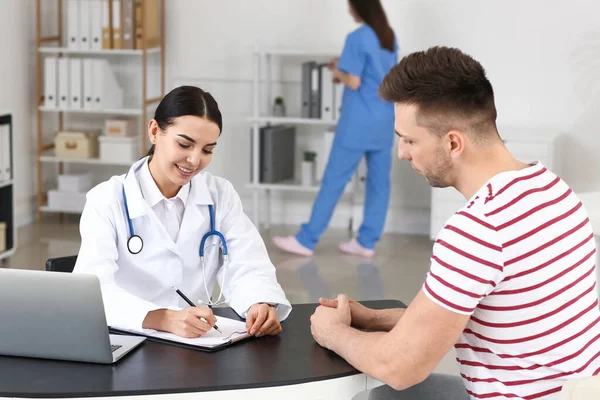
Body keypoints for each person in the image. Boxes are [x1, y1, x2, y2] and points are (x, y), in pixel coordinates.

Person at [309, 47, 600, 400]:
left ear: (452, 142)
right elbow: (478, 318)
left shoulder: (479, 229)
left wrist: (332, 332)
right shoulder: (552, 189)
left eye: (409, 139)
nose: (402, 153)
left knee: (381, 391)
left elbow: (400, 367)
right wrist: (373, 319)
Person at [74, 86, 291, 339]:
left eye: (207, 150)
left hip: (197, 343)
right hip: (128, 338)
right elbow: (93, 291)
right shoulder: (107, 199)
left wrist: (259, 303)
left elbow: (247, 263)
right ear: (154, 131)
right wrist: (164, 318)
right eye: (184, 144)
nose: (194, 160)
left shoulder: (219, 195)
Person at [272, 0, 398, 258]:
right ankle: (367, 241)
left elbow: (354, 81)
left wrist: (339, 71)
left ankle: (307, 239)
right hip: (384, 119)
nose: (349, 10)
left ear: (360, 8)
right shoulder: (388, 36)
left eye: (351, 6)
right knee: (379, 184)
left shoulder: (357, 37)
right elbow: (378, 73)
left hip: (358, 123)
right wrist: (342, 64)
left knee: (334, 180)